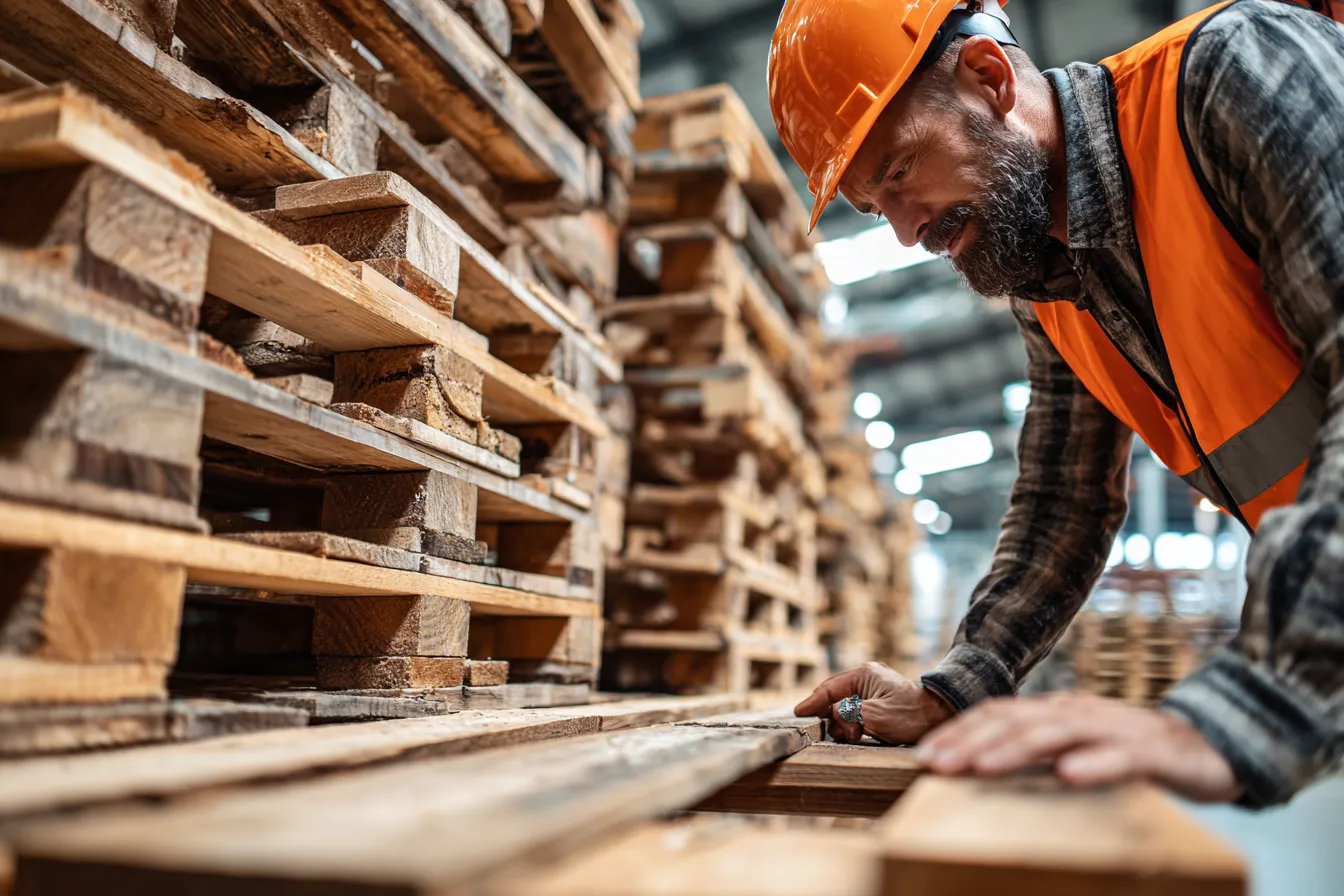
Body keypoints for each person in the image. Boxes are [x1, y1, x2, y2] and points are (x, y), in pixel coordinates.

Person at [769, 0, 1344, 808]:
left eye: (898, 170)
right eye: (875, 207)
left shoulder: (1234, 78)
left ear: (989, 76)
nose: (905, 234)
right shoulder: (1050, 278)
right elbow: (1061, 500)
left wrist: (1258, 706)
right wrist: (957, 689)